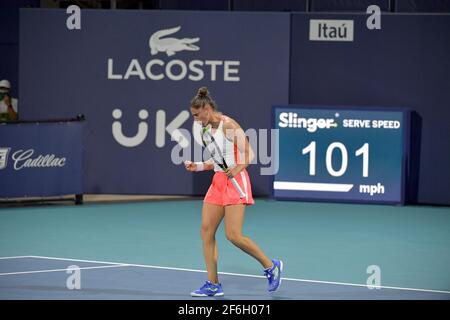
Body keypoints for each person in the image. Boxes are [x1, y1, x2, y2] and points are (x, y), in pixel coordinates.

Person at [184, 87, 283, 297]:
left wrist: (236, 169)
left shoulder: (228, 126)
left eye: (196, 114)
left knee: (234, 235)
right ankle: (212, 283)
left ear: (207, 109)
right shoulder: (202, 129)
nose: (195, 119)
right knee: (206, 231)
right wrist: (200, 166)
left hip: (236, 180)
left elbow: (249, 153)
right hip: (219, 181)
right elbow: (218, 161)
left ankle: (270, 266)